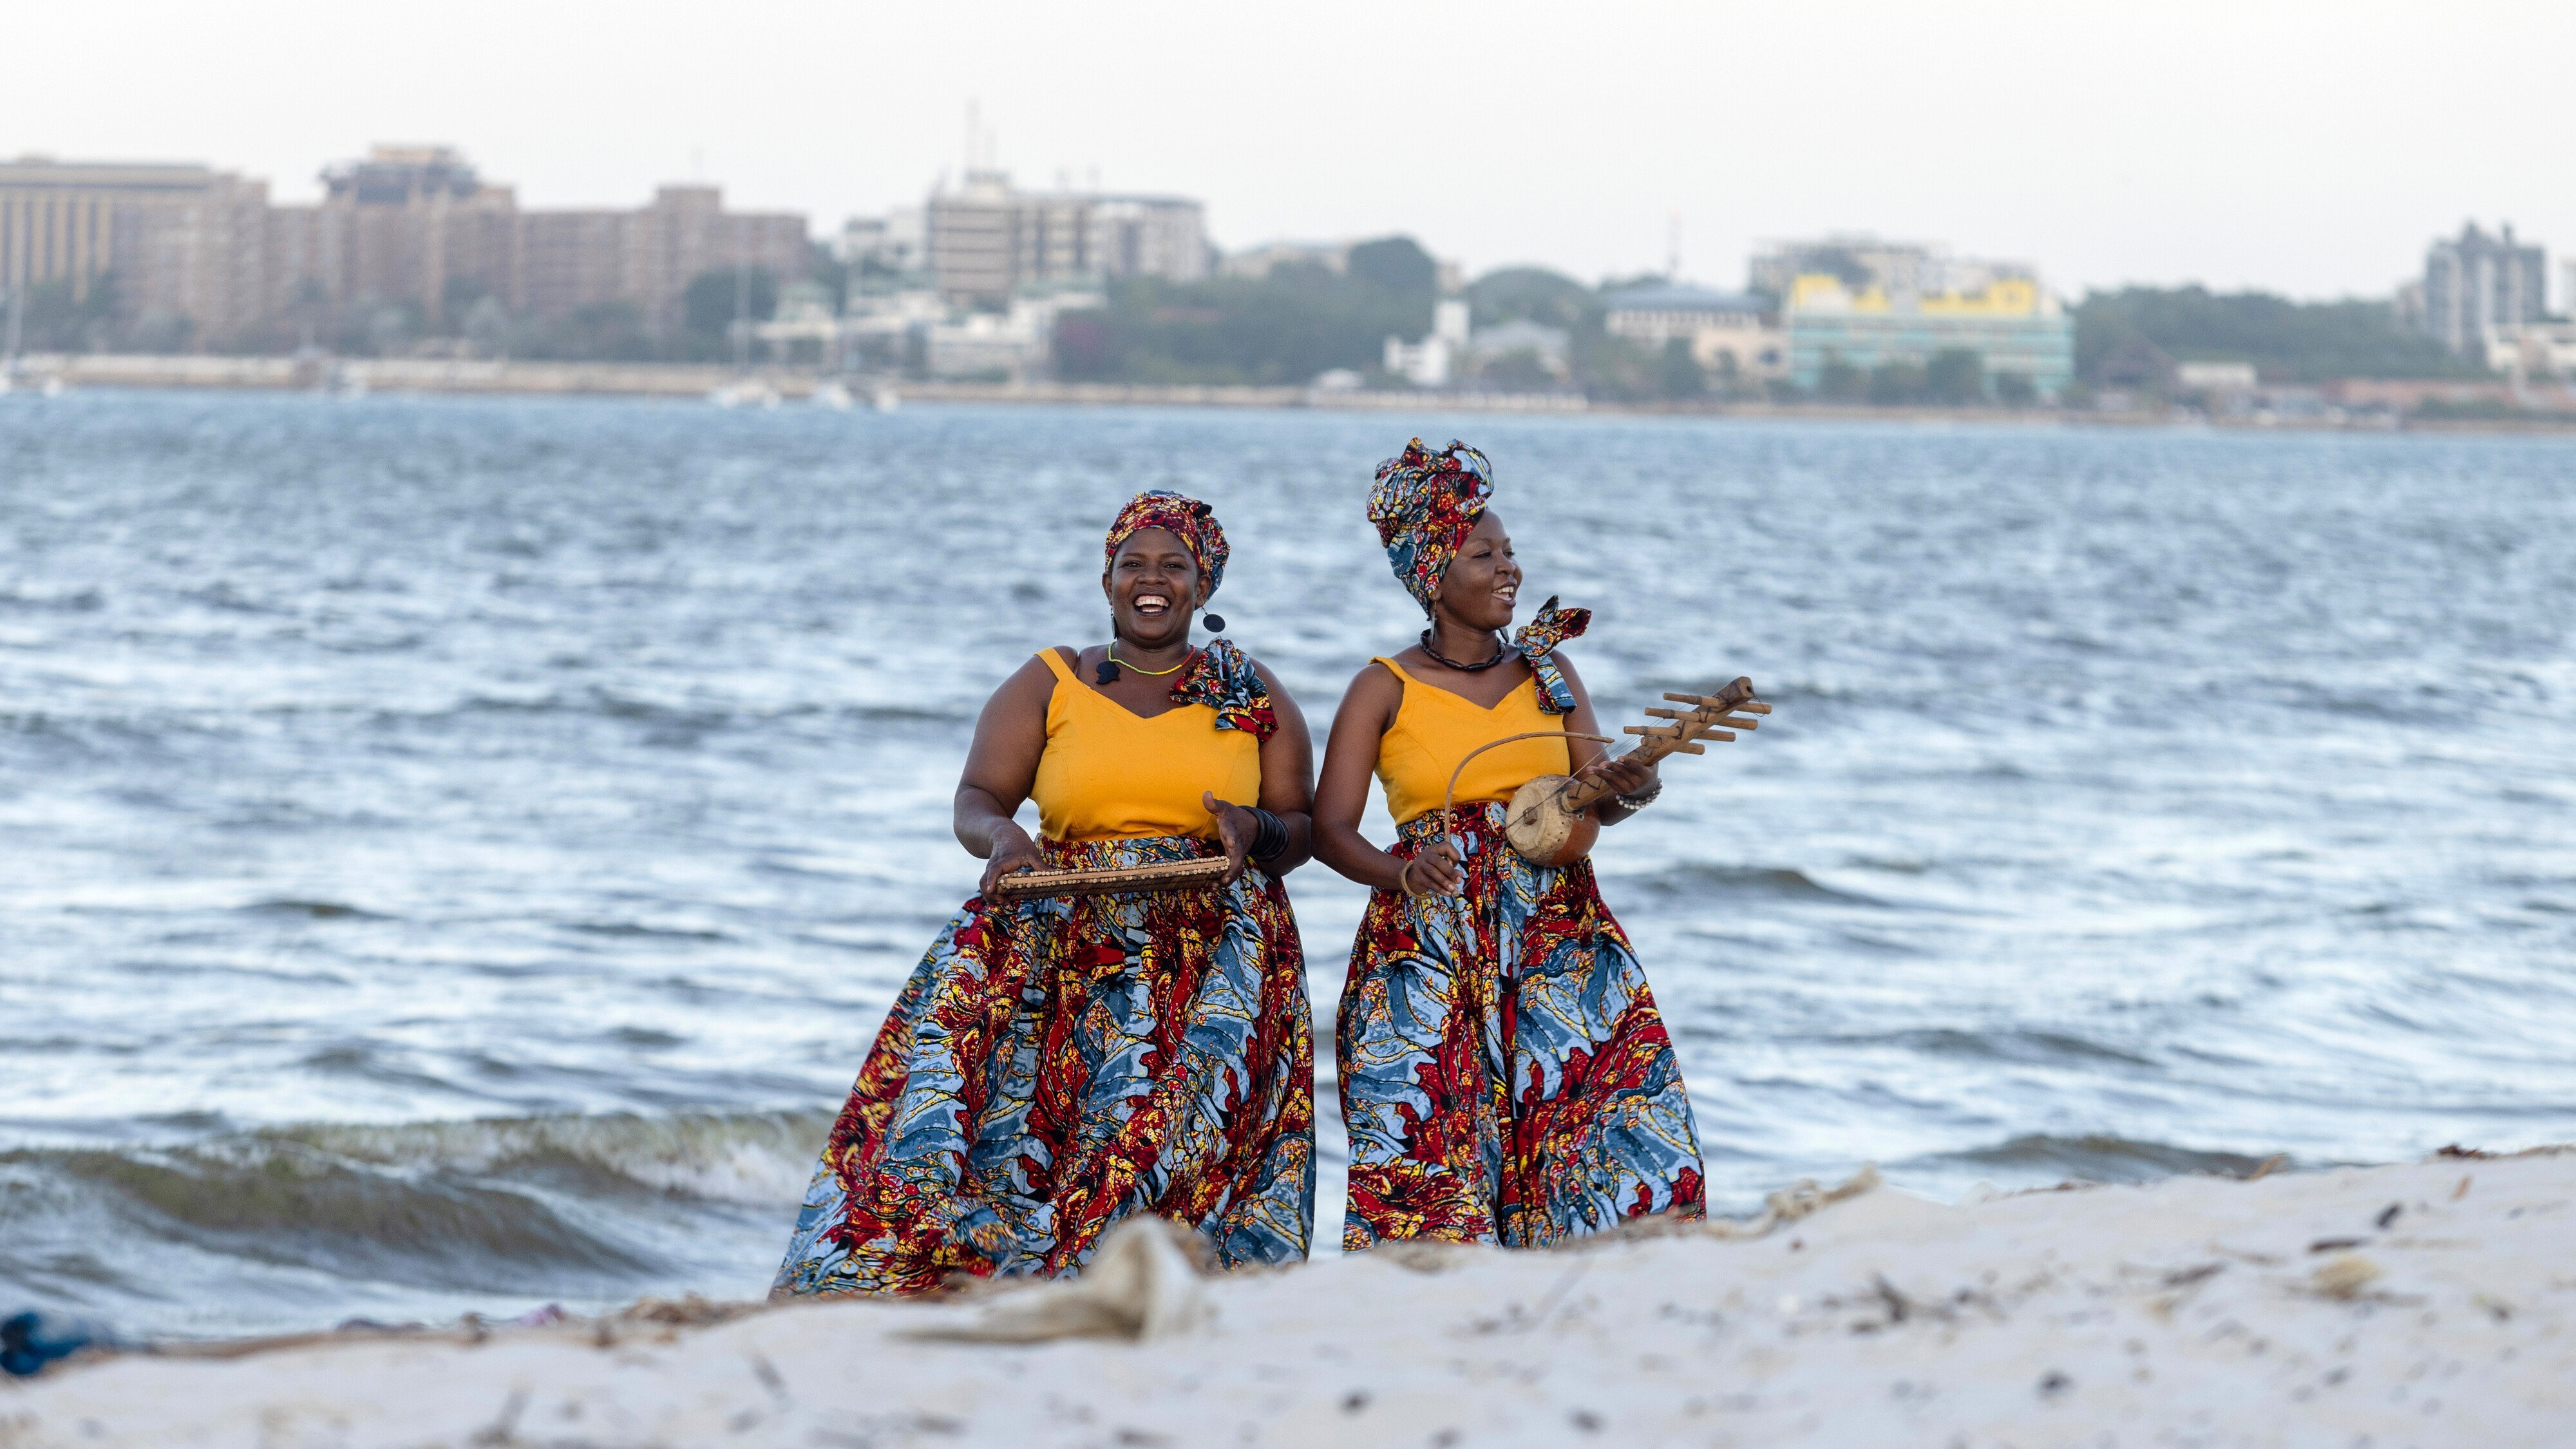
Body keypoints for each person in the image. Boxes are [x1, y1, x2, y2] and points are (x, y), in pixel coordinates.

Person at [772, 490, 1318, 1298]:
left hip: (1211, 945)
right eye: (1132, 564)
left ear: (1205, 587)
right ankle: (989, 1271)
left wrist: (1252, 830)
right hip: (1064, 928)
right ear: (1106, 581)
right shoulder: (1049, 679)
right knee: (978, 1099)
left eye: (1175, 566)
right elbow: (978, 796)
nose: (1151, 581)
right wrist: (1005, 840)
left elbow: (1300, 828)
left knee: (1159, 1132)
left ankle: (1137, 1278)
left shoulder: (1251, 691)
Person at [1312, 438, 1707, 1251]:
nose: (1508, 570)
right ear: (1431, 571)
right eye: (1483, 553)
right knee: (1430, 1149)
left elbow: (1588, 801)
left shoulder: (1549, 671)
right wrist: (1402, 871)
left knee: (1607, 1123)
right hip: (1429, 941)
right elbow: (1329, 828)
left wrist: (1631, 789)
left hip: (1559, 940)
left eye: (1511, 552)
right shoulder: (1382, 686)